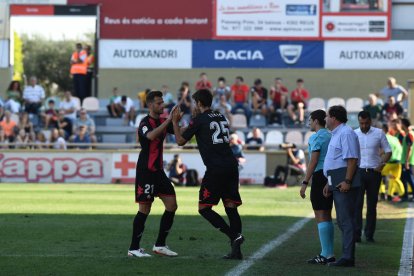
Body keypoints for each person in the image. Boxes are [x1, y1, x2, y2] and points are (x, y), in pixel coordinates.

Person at [171, 89, 245, 260]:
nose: (193, 107)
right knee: (231, 207)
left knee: (204, 208)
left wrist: (175, 123)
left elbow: (181, 141)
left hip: (216, 169)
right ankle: (236, 251)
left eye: (194, 103)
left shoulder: (199, 119)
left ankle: (234, 236)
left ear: (199, 103)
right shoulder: (221, 117)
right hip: (231, 166)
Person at [128, 91, 178, 258]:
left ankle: (160, 245)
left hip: (158, 171)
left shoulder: (164, 121)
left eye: (162, 102)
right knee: (145, 208)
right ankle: (134, 248)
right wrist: (169, 121)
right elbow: (150, 136)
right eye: (158, 103)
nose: (162, 106)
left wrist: (187, 121)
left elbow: (181, 132)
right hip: (146, 172)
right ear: (150, 105)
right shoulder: (145, 122)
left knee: (172, 204)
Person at [323, 105, 360, 267]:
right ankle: (346, 255)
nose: (325, 119)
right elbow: (335, 161)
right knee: (342, 220)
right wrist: (328, 182)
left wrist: (347, 181)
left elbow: (351, 159)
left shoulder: (345, 133)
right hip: (336, 181)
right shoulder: (337, 134)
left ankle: (348, 257)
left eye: (327, 116)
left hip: (344, 183)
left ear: (334, 118)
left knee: (346, 220)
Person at [299, 109, 334, 265]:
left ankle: (325, 254)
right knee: (327, 213)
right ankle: (329, 252)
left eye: (310, 119)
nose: (309, 122)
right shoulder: (331, 135)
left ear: (316, 121)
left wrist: (305, 182)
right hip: (331, 177)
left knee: (320, 215)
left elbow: (313, 161)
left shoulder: (316, 137)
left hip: (320, 177)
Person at [354, 111, 391, 243]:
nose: (363, 125)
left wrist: (381, 165)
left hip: (374, 173)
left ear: (371, 121)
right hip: (358, 172)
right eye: (361, 123)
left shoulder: (379, 133)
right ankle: (356, 234)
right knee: (357, 204)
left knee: (372, 205)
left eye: (366, 123)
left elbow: (388, 151)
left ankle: (369, 234)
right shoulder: (355, 133)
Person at [380, 124, 404, 201]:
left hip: (389, 162)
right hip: (398, 162)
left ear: (383, 130)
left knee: (378, 174)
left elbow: (383, 151)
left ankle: (382, 193)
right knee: (394, 178)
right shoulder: (395, 138)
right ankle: (394, 194)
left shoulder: (383, 138)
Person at [399, 118, 414, 202]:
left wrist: (407, 161)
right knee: (404, 178)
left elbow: (409, 148)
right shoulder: (409, 133)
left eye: (401, 123)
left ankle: (407, 196)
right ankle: (405, 196)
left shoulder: (409, 134)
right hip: (406, 161)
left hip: (408, 161)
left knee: (410, 179)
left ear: (404, 124)